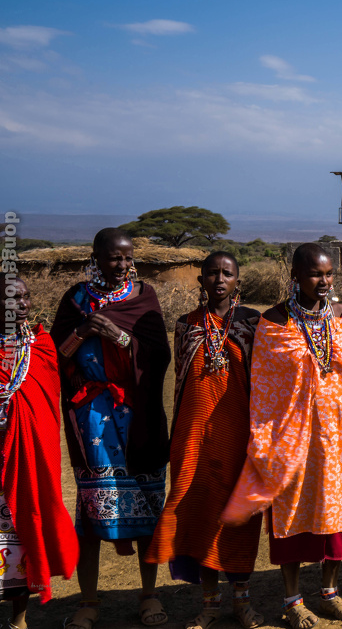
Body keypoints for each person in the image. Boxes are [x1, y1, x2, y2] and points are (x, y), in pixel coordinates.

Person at [222, 243, 342, 629]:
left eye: (329, 273)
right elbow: (265, 387)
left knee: (337, 511)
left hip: (338, 435)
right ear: (296, 277)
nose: (324, 281)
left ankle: (330, 592)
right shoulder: (274, 322)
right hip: (292, 437)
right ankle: (292, 598)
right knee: (293, 513)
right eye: (315, 274)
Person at [51, 228, 171, 629]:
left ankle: (149, 595)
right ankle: (88, 601)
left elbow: (157, 355)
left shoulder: (143, 295)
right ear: (96, 257)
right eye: (113, 258)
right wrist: (84, 330)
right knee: (91, 510)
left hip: (138, 416)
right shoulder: (76, 299)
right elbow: (57, 356)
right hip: (93, 418)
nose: (121, 265)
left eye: (126, 257)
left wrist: (117, 335)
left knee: (146, 506)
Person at [145, 252, 264, 629]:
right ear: (201, 281)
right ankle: (210, 603)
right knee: (199, 517)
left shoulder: (253, 324)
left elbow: (263, 387)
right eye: (211, 273)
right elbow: (181, 384)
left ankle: (242, 601)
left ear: (237, 281)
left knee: (239, 518)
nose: (218, 279)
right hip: (194, 438)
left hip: (240, 439)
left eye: (226, 273)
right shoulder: (185, 325)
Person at [0, 278, 79, 628]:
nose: (21, 305)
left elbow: (46, 407)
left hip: (27, 456)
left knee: (23, 527)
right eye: (12, 298)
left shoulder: (42, 345)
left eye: (26, 297)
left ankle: (19, 619)